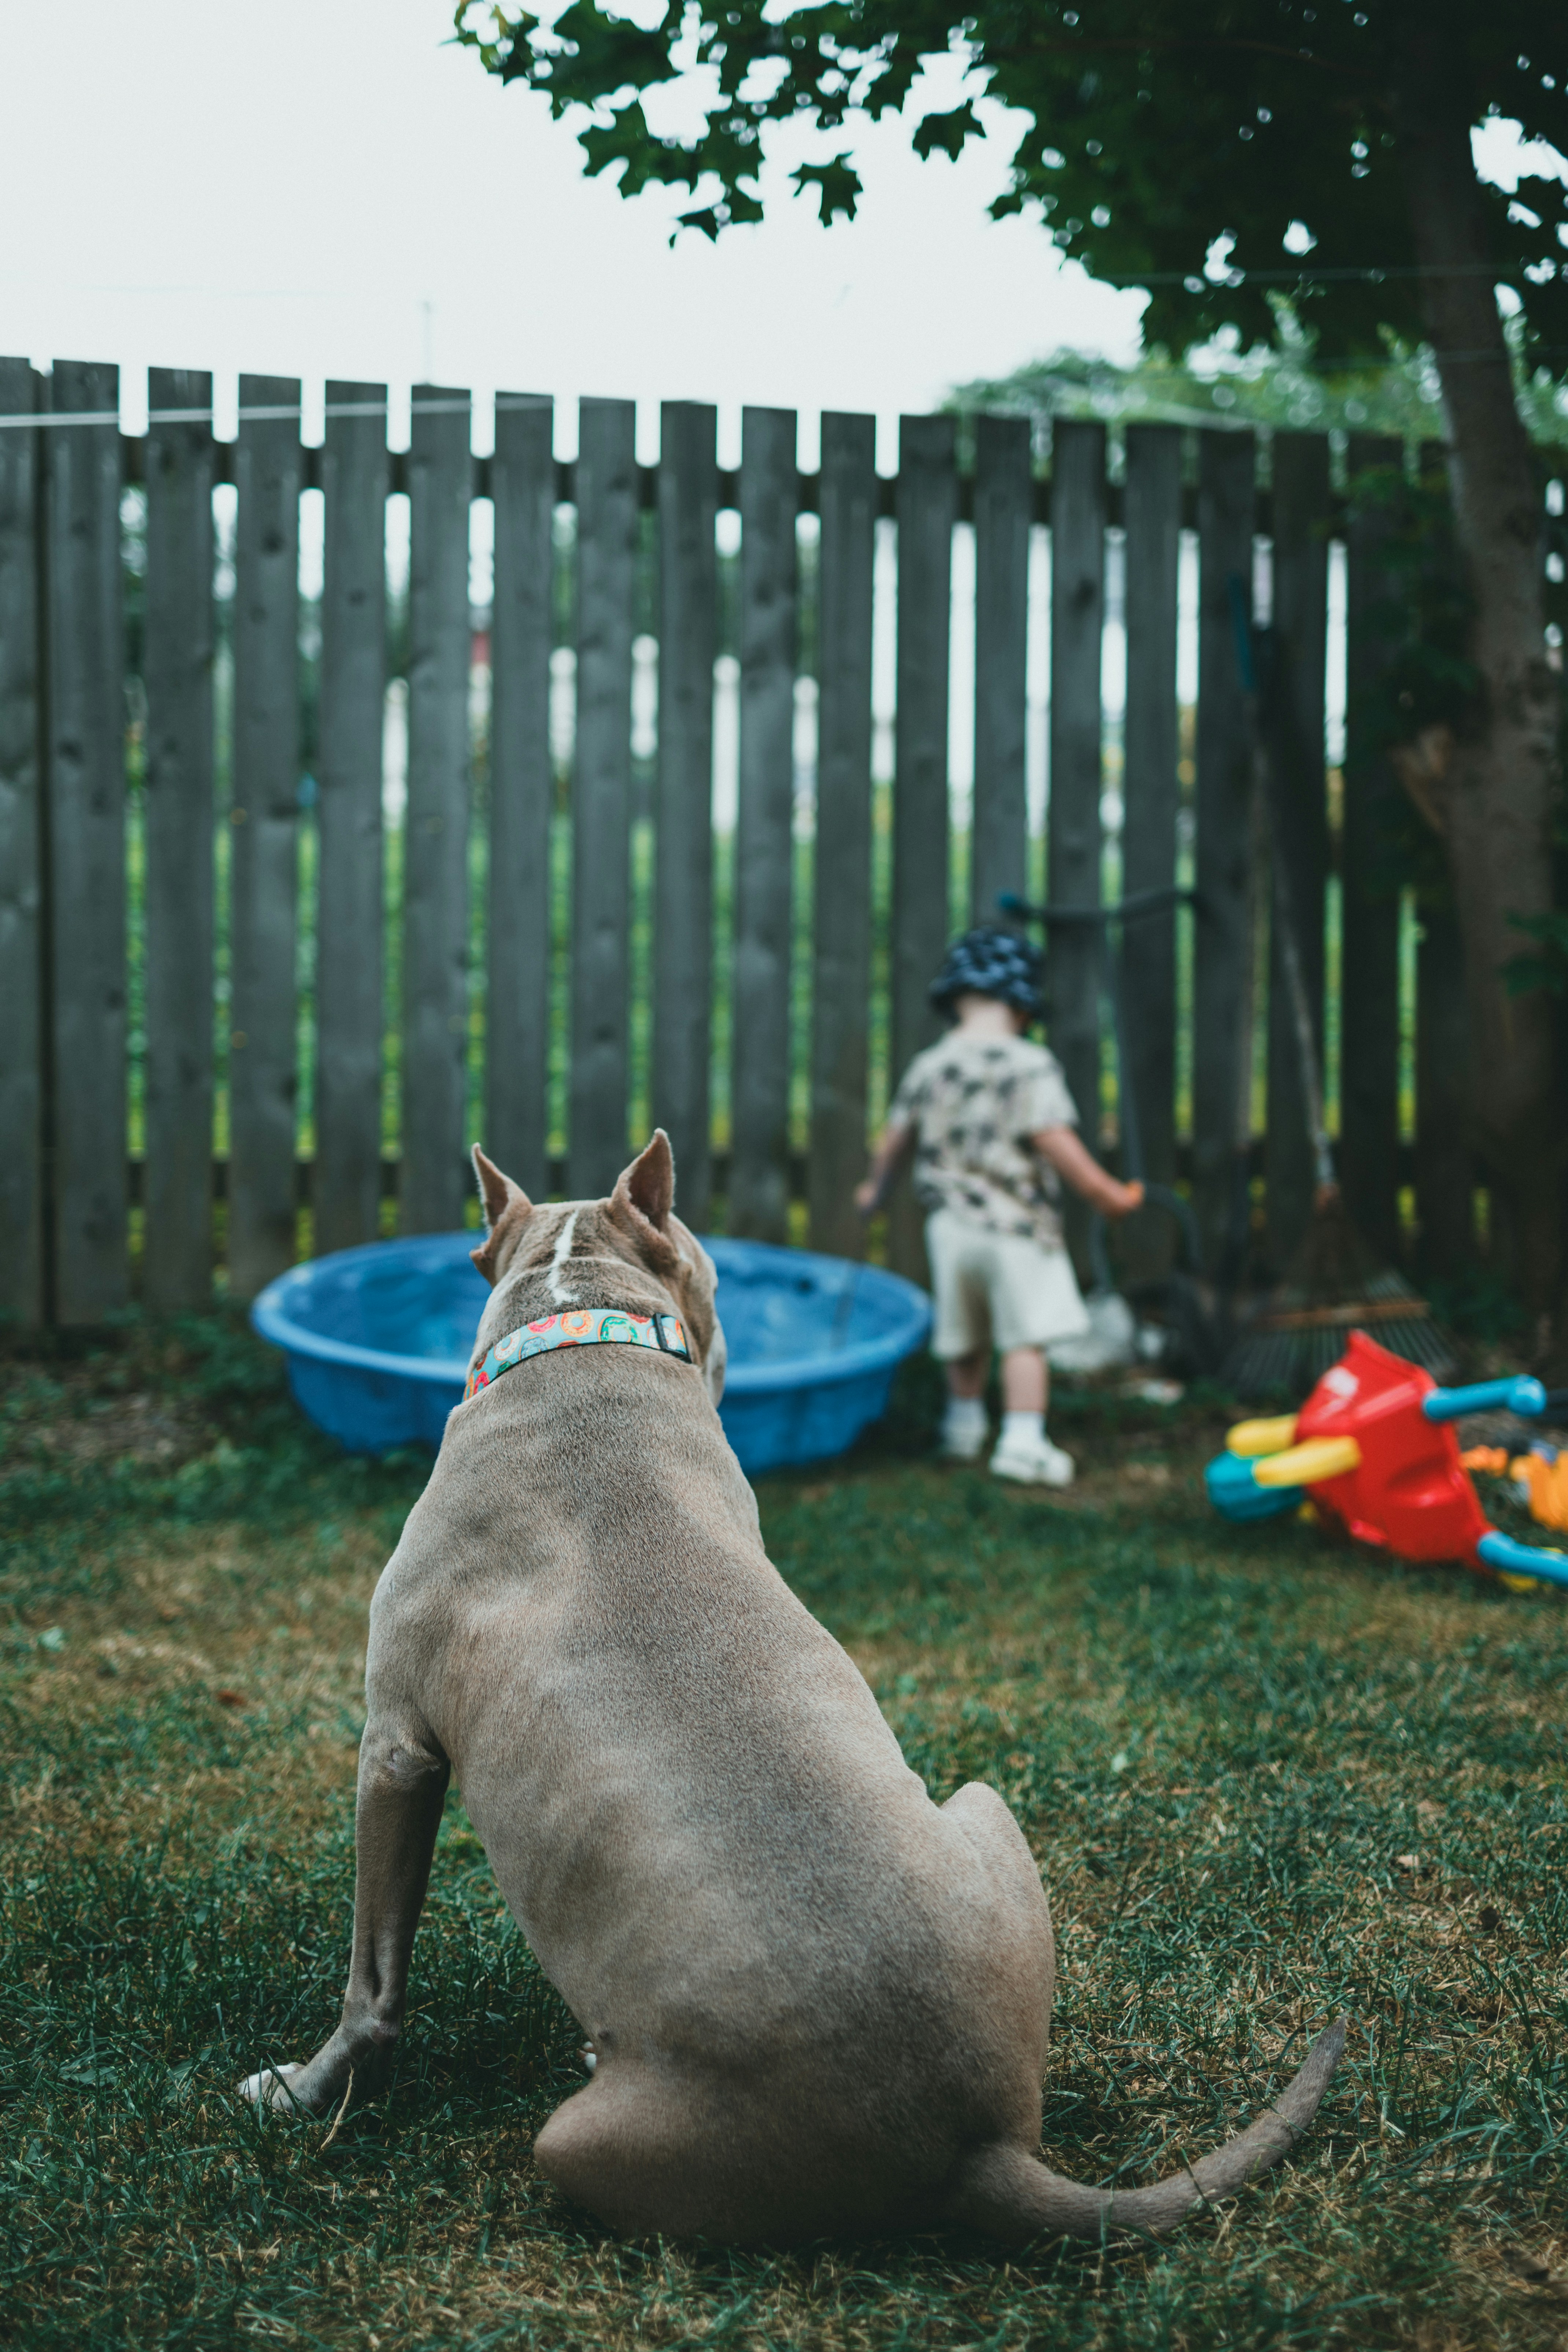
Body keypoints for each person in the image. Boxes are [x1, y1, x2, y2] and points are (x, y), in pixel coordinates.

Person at [855, 927, 1143, 1488]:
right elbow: (1057, 1141)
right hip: (1016, 1227)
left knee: (964, 1333)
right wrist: (1107, 1195)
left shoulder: (929, 1065)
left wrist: (874, 1193)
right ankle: (1022, 1441)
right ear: (1022, 1005)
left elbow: (893, 1144)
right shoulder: (1029, 1065)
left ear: (955, 999)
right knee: (1022, 1338)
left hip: (950, 1227)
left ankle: (962, 1427)